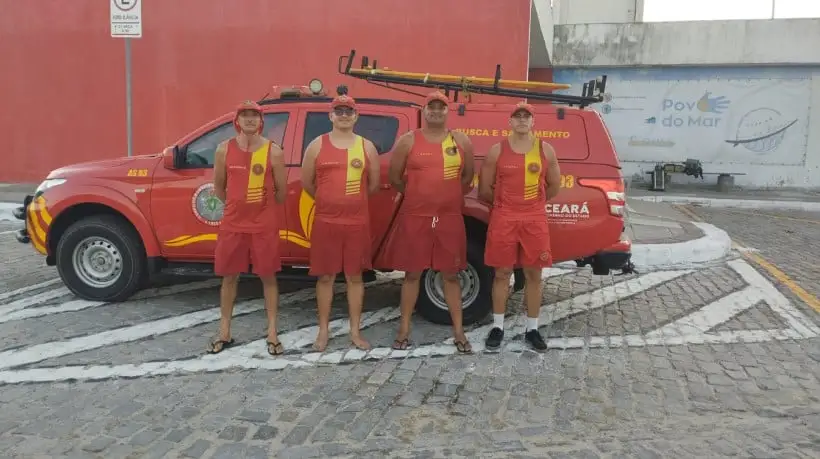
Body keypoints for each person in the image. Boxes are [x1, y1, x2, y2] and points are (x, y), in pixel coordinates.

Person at [386, 90, 475, 353]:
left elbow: (467, 177)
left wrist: (443, 198)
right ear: (423, 111)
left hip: (448, 218)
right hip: (416, 217)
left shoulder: (461, 141)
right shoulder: (407, 141)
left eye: (441, 107)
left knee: (451, 275)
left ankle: (459, 332)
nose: (436, 111)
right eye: (431, 107)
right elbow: (395, 178)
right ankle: (403, 330)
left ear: (448, 111)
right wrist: (419, 195)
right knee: (412, 275)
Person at [478, 102, 561, 351]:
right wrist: (506, 206)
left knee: (534, 274)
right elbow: (484, 189)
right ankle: (498, 327)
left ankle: (532, 329)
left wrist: (532, 206)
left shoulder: (545, 150)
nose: (522, 120)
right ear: (510, 121)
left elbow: (554, 185)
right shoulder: (497, 150)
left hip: (534, 219)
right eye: (518, 116)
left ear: (533, 121)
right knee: (502, 273)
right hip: (504, 217)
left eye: (527, 116)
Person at [301, 95, 380, 352]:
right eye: (339, 111)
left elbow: (373, 186)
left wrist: (350, 202)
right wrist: (329, 201)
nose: (344, 115)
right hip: (326, 222)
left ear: (356, 116)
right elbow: (308, 183)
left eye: (349, 111)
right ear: (330, 115)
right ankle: (323, 332)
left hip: (357, 223)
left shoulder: (366, 147)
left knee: (355, 278)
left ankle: (355, 332)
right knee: (325, 278)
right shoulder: (317, 145)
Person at [209, 100, 287, 356]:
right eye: (245, 115)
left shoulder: (273, 151)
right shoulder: (223, 150)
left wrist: (261, 210)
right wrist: (236, 206)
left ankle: (273, 332)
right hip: (233, 224)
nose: (250, 120)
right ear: (237, 121)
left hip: (263, 226)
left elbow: (281, 191)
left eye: (255, 115)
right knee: (229, 277)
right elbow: (219, 187)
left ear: (261, 121)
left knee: (268, 277)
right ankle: (224, 332)